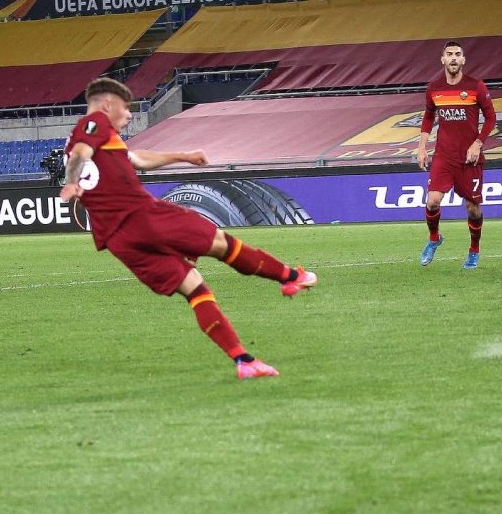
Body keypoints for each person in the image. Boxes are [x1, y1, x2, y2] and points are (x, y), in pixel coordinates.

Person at [59, 77, 317, 380]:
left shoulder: (101, 140)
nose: (128, 115)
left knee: (195, 288)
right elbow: (80, 154)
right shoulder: (94, 123)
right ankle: (291, 277)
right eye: (126, 108)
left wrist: (183, 156)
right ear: (107, 105)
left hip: (118, 240)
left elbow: (137, 159)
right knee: (221, 243)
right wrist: (71, 183)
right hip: (142, 216)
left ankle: (243, 361)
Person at [416, 41, 497, 269]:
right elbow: (428, 116)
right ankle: (434, 238)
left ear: (463, 60)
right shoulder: (434, 88)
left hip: (470, 159)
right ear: (442, 59)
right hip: (444, 155)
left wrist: (478, 144)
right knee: (432, 201)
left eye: (457, 54)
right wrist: (422, 146)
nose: (453, 58)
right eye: (449, 54)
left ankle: (474, 250)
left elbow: (491, 117)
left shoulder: (476, 86)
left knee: (473, 208)